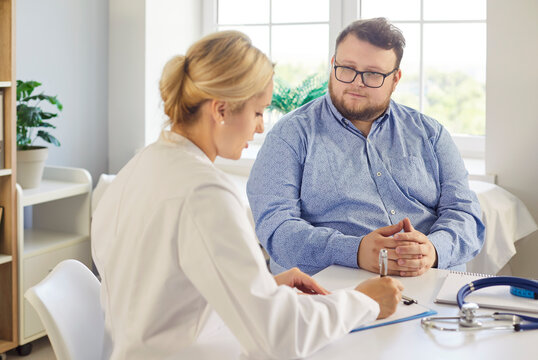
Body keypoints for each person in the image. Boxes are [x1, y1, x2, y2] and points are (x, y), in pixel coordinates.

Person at [92, 30, 403, 360]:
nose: (259, 128)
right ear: (221, 110)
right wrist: (364, 301)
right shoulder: (204, 192)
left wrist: (260, 287)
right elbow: (279, 336)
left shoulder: (141, 165)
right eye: (257, 112)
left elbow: (162, 293)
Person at [247, 18, 485, 277]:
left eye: (373, 74)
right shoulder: (290, 135)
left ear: (395, 79)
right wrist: (355, 251)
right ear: (332, 65)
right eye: (347, 68)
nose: (357, 82)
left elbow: (465, 213)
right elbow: (276, 228)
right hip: (334, 289)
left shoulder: (431, 134)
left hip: (433, 281)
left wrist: (434, 249)